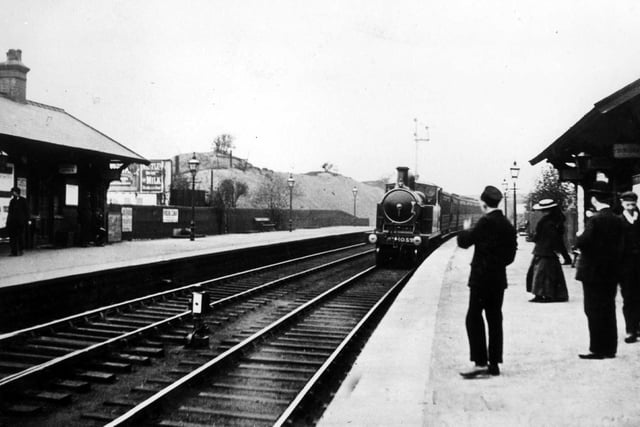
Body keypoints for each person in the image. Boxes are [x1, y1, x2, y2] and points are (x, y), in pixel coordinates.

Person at [457, 185, 517, 378]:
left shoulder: (485, 222)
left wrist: (465, 230)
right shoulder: (507, 225)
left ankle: (480, 362)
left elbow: (464, 242)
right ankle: (494, 364)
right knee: (495, 318)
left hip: (481, 279)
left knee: (473, 317)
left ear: (483, 204)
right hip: (498, 279)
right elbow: (510, 257)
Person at [575, 181, 625, 359]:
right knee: (608, 308)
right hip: (611, 271)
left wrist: (579, 235)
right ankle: (610, 349)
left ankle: (596, 348)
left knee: (593, 310)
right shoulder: (617, 220)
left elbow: (582, 242)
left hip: (592, 272)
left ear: (595, 199)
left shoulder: (594, 220)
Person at [525, 199, 569, 302]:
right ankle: (548, 294)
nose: (542, 212)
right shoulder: (555, 221)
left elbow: (544, 237)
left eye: (544, 210)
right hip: (547, 251)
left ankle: (544, 295)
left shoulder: (547, 222)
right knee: (545, 273)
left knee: (541, 274)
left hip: (544, 250)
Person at [618, 191, 640, 343]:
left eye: (633, 204)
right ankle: (630, 330)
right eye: (628, 204)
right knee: (628, 298)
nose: (631, 207)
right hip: (625, 266)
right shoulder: (618, 221)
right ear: (622, 203)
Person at [6, 186, 29, 256]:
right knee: (12, 237)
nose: (12, 194)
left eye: (13, 192)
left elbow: (26, 211)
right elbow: (10, 212)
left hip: (20, 222)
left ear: (16, 192)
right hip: (12, 222)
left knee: (20, 236)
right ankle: (13, 251)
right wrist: (8, 221)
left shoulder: (23, 200)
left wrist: (26, 220)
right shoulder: (12, 201)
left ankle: (20, 250)